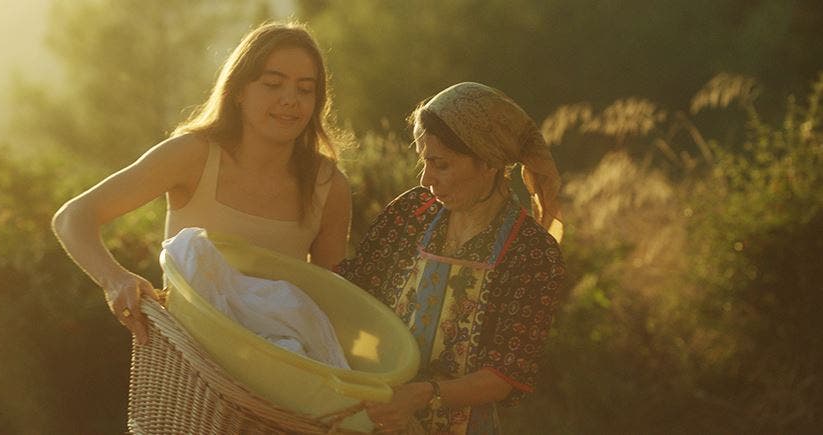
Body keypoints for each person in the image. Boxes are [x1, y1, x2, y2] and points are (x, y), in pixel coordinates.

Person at [52, 22, 352, 346]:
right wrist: (115, 280)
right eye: (273, 84)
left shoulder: (329, 185)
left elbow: (329, 301)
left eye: (305, 89)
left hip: (282, 376)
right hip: (186, 368)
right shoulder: (192, 155)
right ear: (238, 91)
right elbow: (73, 217)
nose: (290, 99)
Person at [336, 82, 565, 434]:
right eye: (424, 162)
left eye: (440, 165)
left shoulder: (531, 252)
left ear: (488, 162)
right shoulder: (410, 214)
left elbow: (505, 373)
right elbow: (355, 294)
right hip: (374, 417)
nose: (426, 179)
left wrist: (424, 395)